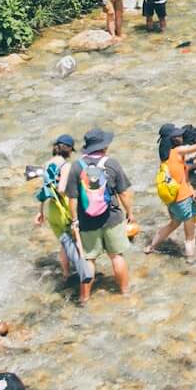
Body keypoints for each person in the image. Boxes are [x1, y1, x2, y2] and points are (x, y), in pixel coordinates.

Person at [63, 127, 135, 300]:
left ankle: (84, 298)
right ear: (104, 146)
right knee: (116, 256)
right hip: (112, 218)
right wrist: (130, 213)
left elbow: (72, 198)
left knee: (89, 260)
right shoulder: (112, 164)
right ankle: (125, 293)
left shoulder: (76, 167)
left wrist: (75, 221)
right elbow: (123, 193)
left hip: (87, 221)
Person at [148, 123, 196, 260]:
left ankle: (150, 247)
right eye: (176, 135)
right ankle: (190, 259)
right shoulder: (177, 151)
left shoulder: (165, 156)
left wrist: (191, 190)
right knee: (190, 235)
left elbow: (183, 177)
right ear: (172, 139)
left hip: (171, 200)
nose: (180, 136)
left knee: (173, 224)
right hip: (183, 200)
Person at [34, 133, 78, 275]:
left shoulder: (46, 164)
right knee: (76, 238)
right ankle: (82, 272)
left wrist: (40, 212)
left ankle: (66, 274)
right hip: (63, 208)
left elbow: (44, 191)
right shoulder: (66, 165)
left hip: (51, 210)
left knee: (64, 244)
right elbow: (62, 189)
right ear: (68, 149)